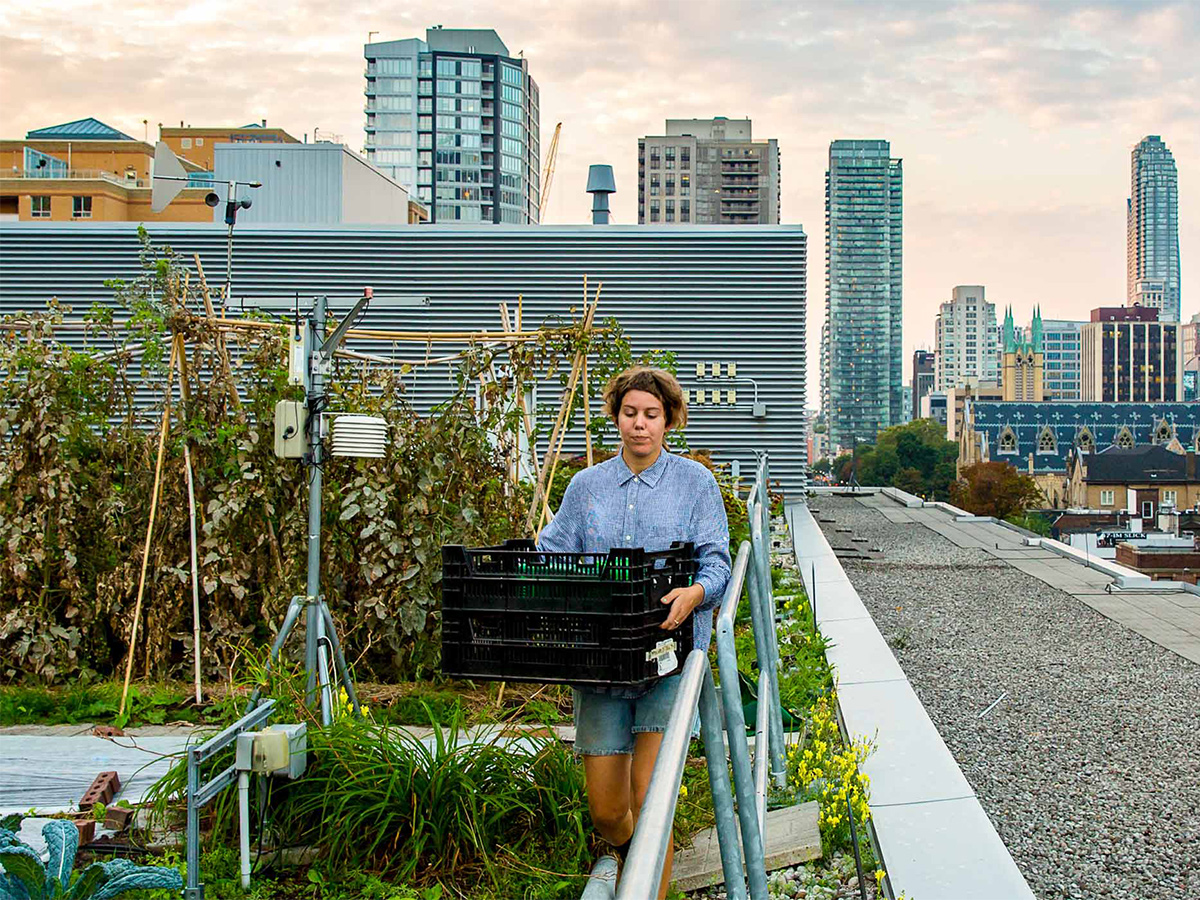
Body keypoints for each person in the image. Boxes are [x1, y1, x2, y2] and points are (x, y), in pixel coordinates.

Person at [537, 365, 731, 898]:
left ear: (669, 420)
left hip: (667, 655)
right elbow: (552, 552)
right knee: (607, 812)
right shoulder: (586, 487)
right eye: (630, 414)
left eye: (651, 415)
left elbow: (717, 563)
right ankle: (623, 855)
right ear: (616, 417)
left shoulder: (695, 483)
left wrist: (695, 594)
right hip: (599, 662)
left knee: (651, 796)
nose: (639, 425)